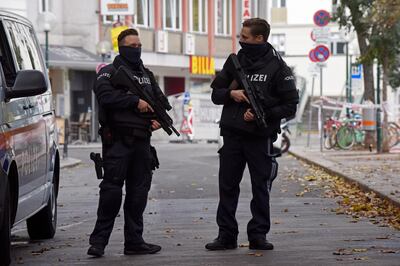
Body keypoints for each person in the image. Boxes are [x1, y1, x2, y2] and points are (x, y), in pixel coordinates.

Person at [206, 18, 299, 251]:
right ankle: (226, 236)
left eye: (245, 37)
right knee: (227, 186)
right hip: (233, 136)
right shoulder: (235, 61)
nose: (241, 40)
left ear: (260, 38)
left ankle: (258, 235)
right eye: (240, 36)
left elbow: (290, 106)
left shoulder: (279, 68)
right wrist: (232, 95)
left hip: (260, 137)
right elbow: (216, 94)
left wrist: (262, 113)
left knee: (260, 187)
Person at [88, 28, 166, 257]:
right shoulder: (108, 73)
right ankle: (98, 243)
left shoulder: (147, 75)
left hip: (142, 142)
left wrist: (157, 120)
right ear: (121, 47)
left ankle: (134, 241)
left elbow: (158, 102)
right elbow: (105, 96)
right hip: (118, 142)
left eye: (138, 45)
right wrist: (134, 101)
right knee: (111, 193)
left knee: (138, 193)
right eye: (131, 46)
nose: (136, 49)